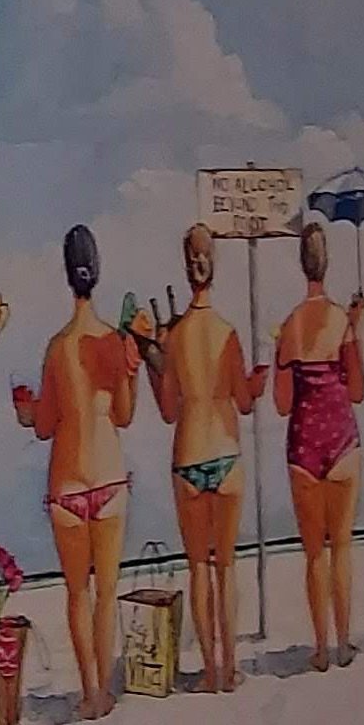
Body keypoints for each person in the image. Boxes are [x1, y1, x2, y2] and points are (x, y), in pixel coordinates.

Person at [13, 225, 140, 716]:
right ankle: (105, 691)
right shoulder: (112, 342)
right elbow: (125, 415)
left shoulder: (57, 347)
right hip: (108, 478)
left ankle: (88, 692)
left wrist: (27, 411)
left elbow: (45, 426)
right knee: (106, 593)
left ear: (67, 277)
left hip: (65, 484)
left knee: (76, 593)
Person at [150, 222, 265, 692]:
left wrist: (155, 361)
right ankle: (232, 665)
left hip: (189, 457)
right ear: (212, 269)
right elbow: (244, 401)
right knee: (226, 566)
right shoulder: (228, 332)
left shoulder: (176, 336)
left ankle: (211, 670)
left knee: (198, 566)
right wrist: (256, 380)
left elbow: (167, 409)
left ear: (186, 267)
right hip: (226, 453)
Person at [273, 215, 364, 672]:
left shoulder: (289, 325)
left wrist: (283, 364)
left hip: (303, 443)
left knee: (314, 554)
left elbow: (281, 402)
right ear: (327, 265)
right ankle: (346, 640)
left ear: (300, 265)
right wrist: (357, 332)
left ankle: (322, 647)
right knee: (342, 547)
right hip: (342, 439)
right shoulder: (341, 321)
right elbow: (358, 390)